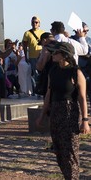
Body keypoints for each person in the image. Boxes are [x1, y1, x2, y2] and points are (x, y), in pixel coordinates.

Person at [38, 41, 90, 180]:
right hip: (55, 111)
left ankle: (73, 177)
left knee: (70, 151)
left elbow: (82, 97)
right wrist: (42, 115)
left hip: (70, 112)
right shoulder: (53, 71)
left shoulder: (76, 72)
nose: (52, 54)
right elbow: (49, 94)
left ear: (65, 55)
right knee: (59, 150)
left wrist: (85, 120)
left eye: (55, 52)